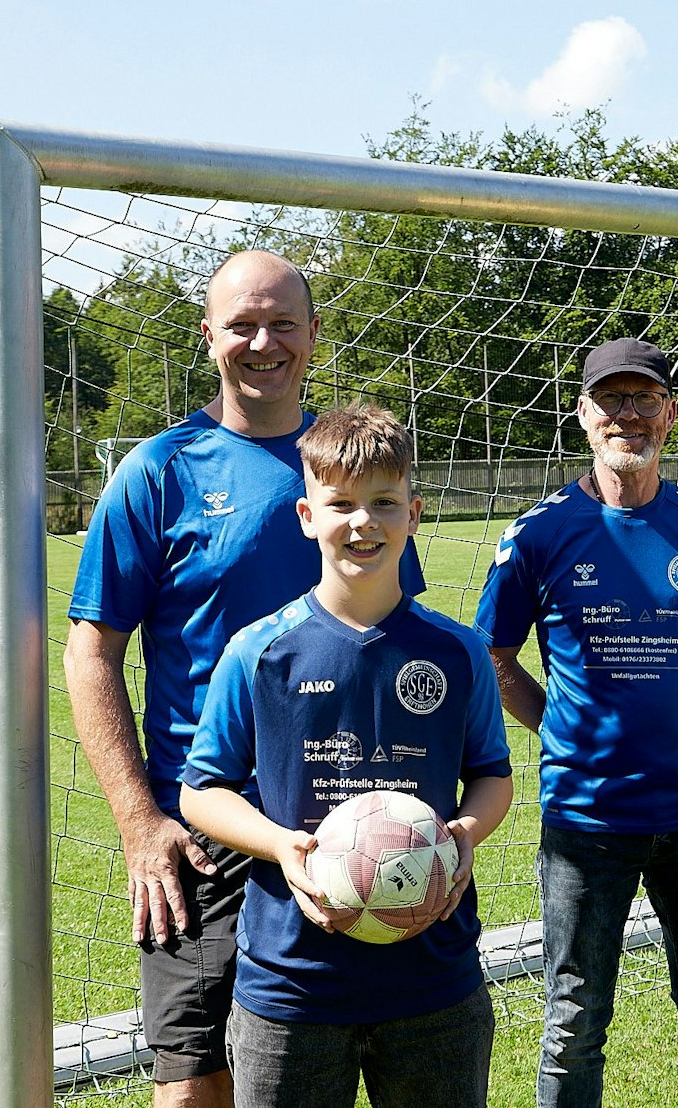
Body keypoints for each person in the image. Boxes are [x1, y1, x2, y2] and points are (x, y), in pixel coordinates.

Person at [64, 249, 423, 1107]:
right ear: (208, 336)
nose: (264, 343)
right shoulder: (160, 471)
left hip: (346, 824)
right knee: (193, 1083)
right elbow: (90, 652)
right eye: (242, 325)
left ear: (315, 333)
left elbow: (390, 640)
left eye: (283, 323)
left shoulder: (350, 472)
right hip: (206, 831)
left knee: (346, 1065)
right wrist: (138, 821)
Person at [179, 403, 512, 1108]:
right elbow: (201, 791)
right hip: (292, 983)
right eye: (341, 504)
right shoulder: (259, 651)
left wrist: (465, 831)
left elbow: (492, 775)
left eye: (384, 502)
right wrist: (280, 845)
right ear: (307, 515)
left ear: (414, 514)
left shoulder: (457, 652)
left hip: (434, 978)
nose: (363, 522)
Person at [473, 337, 678, 1107]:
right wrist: (559, 725)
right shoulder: (539, 532)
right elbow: (493, 655)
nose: (627, 414)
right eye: (611, 398)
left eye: (644, 398)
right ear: (583, 414)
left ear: (670, 413)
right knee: (573, 1022)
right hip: (587, 818)